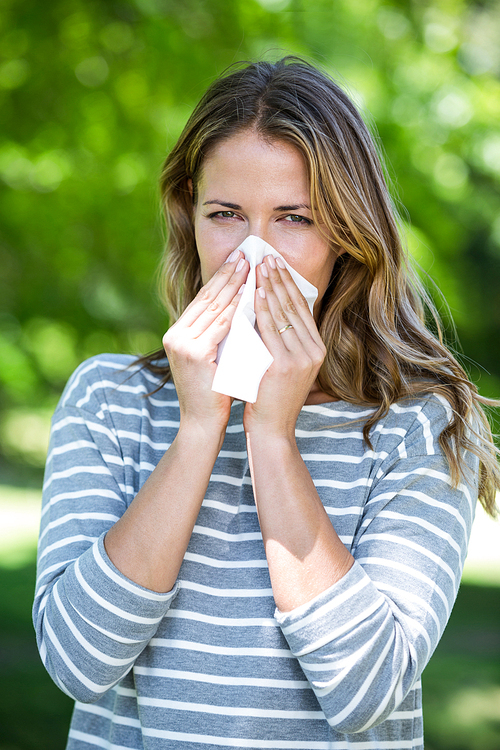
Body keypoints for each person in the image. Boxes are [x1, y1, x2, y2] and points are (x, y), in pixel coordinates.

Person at [33, 57, 499, 750]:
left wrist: (272, 437)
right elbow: (78, 662)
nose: (254, 254)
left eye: (294, 218)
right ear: (187, 211)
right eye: (226, 215)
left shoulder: (420, 425)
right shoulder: (110, 399)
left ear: (347, 233)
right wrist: (199, 429)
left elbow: (366, 693)